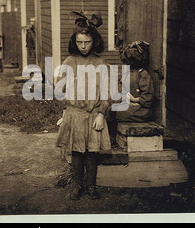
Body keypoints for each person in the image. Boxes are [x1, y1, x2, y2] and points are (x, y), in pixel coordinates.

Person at [55, 12, 111, 200]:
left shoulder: (101, 63)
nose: (83, 46)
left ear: (94, 41)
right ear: (74, 42)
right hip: (75, 115)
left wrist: (101, 114)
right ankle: (77, 185)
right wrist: (66, 112)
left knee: (92, 153)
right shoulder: (69, 62)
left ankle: (91, 186)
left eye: (87, 42)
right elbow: (61, 90)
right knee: (77, 152)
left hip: (94, 115)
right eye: (79, 42)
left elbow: (107, 93)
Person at [115, 41, 154, 122]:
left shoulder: (143, 75)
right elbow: (121, 88)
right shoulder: (127, 72)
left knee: (118, 113)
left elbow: (147, 97)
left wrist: (134, 99)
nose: (129, 63)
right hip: (128, 104)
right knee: (111, 109)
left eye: (132, 60)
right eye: (128, 61)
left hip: (140, 109)